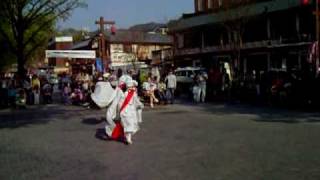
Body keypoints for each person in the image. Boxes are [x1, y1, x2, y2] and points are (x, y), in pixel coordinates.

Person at [119, 80, 144, 144]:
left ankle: (127, 136)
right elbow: (121, 102)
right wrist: (120, 110)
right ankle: (128, 138)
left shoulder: (134, 94)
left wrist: (140, 105)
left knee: (132, 123)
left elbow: (136, 101)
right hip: (126, 110)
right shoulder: (125, 94)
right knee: (128, 123)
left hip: (132, 110)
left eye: (132, 87)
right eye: (130, 87)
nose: (132, 88)